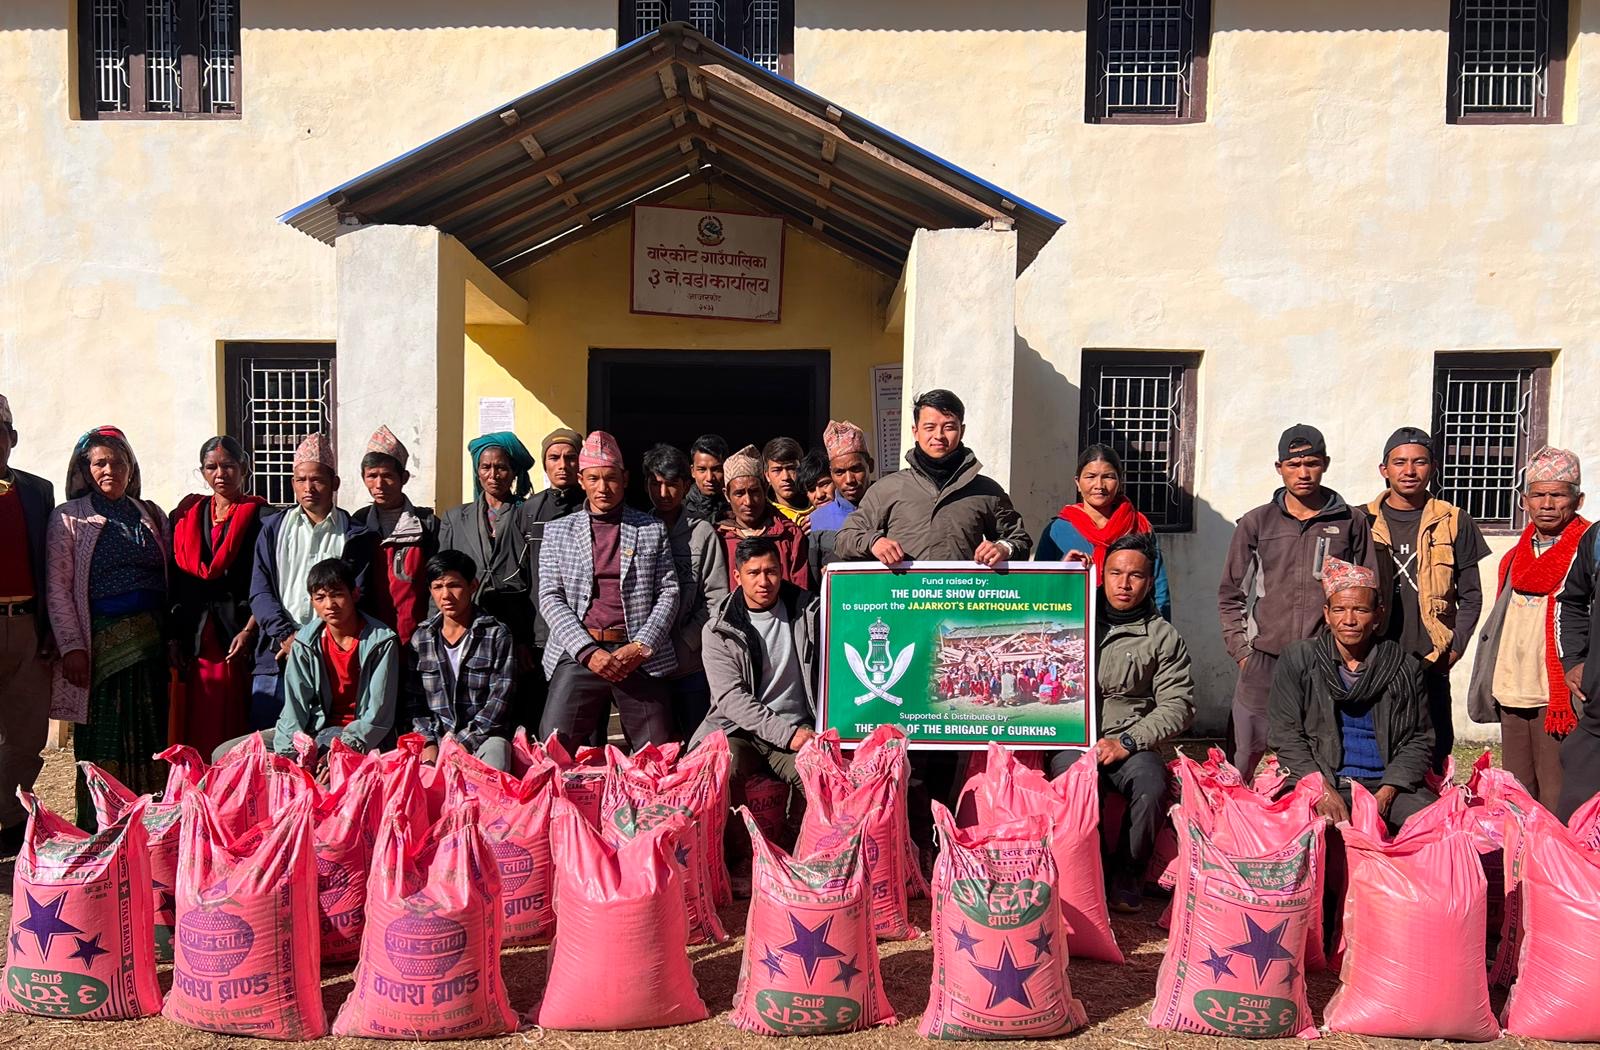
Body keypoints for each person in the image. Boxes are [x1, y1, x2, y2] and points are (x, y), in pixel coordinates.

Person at [1218, 424, 1375, 777]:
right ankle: (1231, 826)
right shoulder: (1257, 522)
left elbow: (1367, 592)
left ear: (1326, 464)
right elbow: (1230, 593)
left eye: (1312, 463)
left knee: (1320, 754)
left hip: (1324, 660)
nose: (1303, 473)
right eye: (1293, 465)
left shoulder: (1350, 522)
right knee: (1244, 755)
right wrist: (1242, 652)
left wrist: (1350, 654)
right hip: (1263, 660)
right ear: (1279, 468)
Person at [1048, 533, 1194, 912]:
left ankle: (1128, 874)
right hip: (1075, 740)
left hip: (1130, 740)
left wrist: (1128, 741)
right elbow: (1023, 611)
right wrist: (1059, 579)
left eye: (1136, 576)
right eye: (1115, 573)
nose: (1124, 584)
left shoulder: (1163, 636)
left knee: (1151, 783)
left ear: (1149, 581)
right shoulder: (1075, 614)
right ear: (1102, 573)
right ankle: (1090, 870)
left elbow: (1178, 704)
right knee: (1073, 782)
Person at [46, 427, 171, 830]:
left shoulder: (150, 514)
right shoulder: (69, 517)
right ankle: (103, 822)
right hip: (99, 647)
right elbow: (59, 587)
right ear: (85, 469)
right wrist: (72, 647)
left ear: (130, 467)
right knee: (105, 734)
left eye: (118, 462)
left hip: (151, 647)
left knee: (152, 732)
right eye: (100, 462)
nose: (110, 469)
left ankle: (151, 822)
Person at [1267, 558, 1436, 834]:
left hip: (1384, 783)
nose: (1349, 620)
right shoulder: (1298, 660)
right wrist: (1320, 789)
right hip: (1321, 778)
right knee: (1304, 834)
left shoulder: (1404, 666)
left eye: (1360, 610)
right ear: (1326, 613)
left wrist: (1387, 791)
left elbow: (1418, 739)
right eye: (1340, 609)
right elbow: (1285, 735)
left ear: (1378, 615)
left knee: (1436, 829)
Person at [537, 431, 679, 751]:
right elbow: (550, 595)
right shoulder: (559, 531)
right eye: (595, 479)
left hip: (636, 653)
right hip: (581, 652)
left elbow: (668, 590)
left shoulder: (650, 528)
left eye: (611, 478)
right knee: (554, 746)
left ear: (625, 479)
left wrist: (642, 646)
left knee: (656, 751)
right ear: (581, 480)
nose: (603, 488)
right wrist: (588, 652)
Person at [1468, 448, 1587, 810]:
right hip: (1513, 688)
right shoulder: (1514, 558)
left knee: (1557, 794)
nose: (1547, 504)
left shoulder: (1587, 551)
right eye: (1538, 494)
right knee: (1517, 794)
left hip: (1560, 694)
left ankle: (1556, 866)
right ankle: (1519, 865)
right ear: (1524, 501)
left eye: (1558, 494)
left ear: (1577, 500)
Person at [1364, 427, 1489, 770]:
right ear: (1383, 469)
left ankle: (1428, 819)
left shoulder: (1453, 521)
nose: (1409, 471)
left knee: (1433, 749)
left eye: (1419, 462)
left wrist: (1456, 646)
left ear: (1433, 467)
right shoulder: (1361, 519)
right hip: (1374, 654)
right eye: (1399, 462)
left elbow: (1472, 595)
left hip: (1431, 656)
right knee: (1372, 746)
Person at [217, 558, 398, 761]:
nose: (330, 605)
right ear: (312, 602)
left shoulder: (381, 641)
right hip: (312, 730)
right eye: (320, 598)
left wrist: (342, 751)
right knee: (225, 754)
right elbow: (295, 707)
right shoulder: (305, 642)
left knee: (327, 777)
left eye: (337, 595)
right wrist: (289, 754)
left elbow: (377, 715)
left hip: (358, 737)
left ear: (354, 594)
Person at [248, 433, 371, 731]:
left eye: (316, 479)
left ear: (335, 483)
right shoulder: (273, 529)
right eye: (301, 480)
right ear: (292, 484)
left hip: (331, 655)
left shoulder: (355, 535)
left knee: (322, 743)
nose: (308, 487)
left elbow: (358, 594)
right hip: (277, 652)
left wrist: (313, 642)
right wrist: (286, 636)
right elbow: (260, 591)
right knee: (272, 743)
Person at [834, 388, 1031, 567]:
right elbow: (845, 539)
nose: (939, 435)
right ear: (915, 432)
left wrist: (1004, 548)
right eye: (929, 427)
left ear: (962, 430)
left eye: (949, 427)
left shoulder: (987, 491)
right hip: (902, 601)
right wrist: (873, 542)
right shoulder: (887, 489)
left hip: (962, 601)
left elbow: (1018, 539)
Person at [692, 536, 817, 797]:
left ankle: (798, 836)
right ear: (737, 576)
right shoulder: (718, 629)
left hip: (798, 723)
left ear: (781, 571)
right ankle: (734, 838)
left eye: (771, 571)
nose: (764, 582)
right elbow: (731, 698)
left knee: (817, 777)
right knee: (721, 771)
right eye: (753, 573)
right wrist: (785, 735)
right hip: (739, 730)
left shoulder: (809, 612)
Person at [167, 436, 266, 757]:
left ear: (244, 470)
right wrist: (173, 636)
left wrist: (250, 629)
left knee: (234, 715)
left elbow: (267, 581)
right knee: (197, 714)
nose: (220, 473)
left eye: (228, 466)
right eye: (212, 467)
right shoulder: (186, 517)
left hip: (239, 633)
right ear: (203, 472)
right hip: (195, 635)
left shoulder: (263, 519)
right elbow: (176, 580)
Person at [440, 431, 539, 723]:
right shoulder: (455, 518)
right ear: (477, 471)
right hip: (468, 624)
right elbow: (441, 576)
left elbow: (535, 580)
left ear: (513, 473)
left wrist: (525, 639)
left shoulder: (527, 515)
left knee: (517, 708)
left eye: (501, 467)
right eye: (486, 467)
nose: (493, 474)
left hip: (516, 625)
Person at [643, 444, 729, 740]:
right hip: (646, 663)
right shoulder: (636, 529)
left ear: (686, 485)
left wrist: (687, 640)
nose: (663, 493)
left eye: (671, 485)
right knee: (654, 747)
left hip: (690, 663)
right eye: (656, 484)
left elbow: (716, 598)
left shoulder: (702, 533)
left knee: (696, 744)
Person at [0, 395, 55, 853]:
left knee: (26, 732)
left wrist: (51, 631)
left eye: (0, 430)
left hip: (27, 625)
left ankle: (11, 820)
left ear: (12, 438)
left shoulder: (38, 491)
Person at [1035, 443, 1171, 620]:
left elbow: (1159, 589)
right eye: (1090, 477)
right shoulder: (1057, 530)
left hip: (1132, 629)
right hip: (1075, 626)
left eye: (1108, 477)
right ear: (1077, 482)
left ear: (1120, 481)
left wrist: (1161, 634)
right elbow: (1040, 586)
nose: (1099, 485)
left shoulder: (1139, 526)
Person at [407, 550, 516, 771]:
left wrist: (462, 744)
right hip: (436, 740)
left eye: (454, 585)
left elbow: (499, 702)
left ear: (472, 586)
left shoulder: (495, 634)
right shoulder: (422, 638)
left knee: (495, 761)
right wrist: (428, 742)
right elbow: (414, 703)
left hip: (483, 738)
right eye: (438, 587)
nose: (446, 595)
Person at [351, 426, 439, 650]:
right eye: (372, 476)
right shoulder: (358, 524)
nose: (379, 485)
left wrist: (429, 629)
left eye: (387, 476)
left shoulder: (426, 524)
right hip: (369, 638)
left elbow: (437, 583)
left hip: (418, 638)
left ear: (404, 477)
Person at [715, 445, 810, 590]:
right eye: (739, 493)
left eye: (754, 492)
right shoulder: (718, 538)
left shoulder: (789, 534)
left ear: (765, 490)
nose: (748, 501)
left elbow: (800, 591)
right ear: (727, 495)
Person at [763, 436, 813, 526]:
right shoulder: (762, 516)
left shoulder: (820, 502)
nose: (786, 477)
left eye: (791, 468)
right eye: (777, 470)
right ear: (767, 476)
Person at [684, 433, 730, 525]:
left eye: (716, 470)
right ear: (692, 471)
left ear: (727, 469)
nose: (709, 478)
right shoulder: (680, 511)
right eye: (702, 469)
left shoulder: (740, 508)